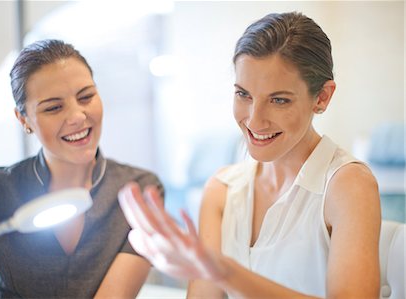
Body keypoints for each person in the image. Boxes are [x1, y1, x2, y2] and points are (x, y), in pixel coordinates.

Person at [117, 11, 381, 298]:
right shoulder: (222, 190)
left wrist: (224, 272)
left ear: (322, 97)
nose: (255, 121)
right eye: (243, 94)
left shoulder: (348, 185)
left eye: (279, 100)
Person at [0, 39, 163, 298]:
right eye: (54, 107)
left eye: (86, 96)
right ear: (24, 119)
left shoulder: (139, 192)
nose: (77, 116)